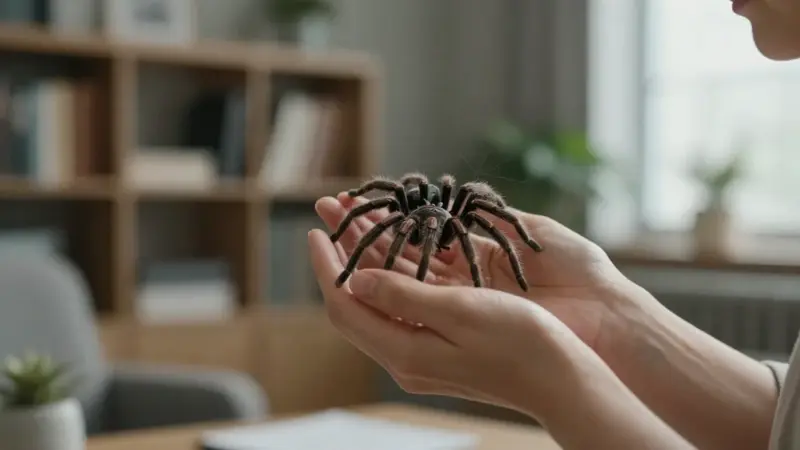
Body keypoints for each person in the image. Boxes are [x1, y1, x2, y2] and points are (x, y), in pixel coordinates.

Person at [308, 1, 800, 448]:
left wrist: (557, 382)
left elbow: (489, 213)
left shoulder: (464, 211)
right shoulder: (410, 201)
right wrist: (613, 313)